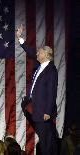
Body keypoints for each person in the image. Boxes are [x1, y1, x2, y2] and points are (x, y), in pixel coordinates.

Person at [16, 25, 58, 155]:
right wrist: (20, 38)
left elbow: (52, 92)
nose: (37, 53)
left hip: (43, 112)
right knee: (45, 140)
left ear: (46, 54)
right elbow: (30, 51)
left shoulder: (51, 70)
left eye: (39, 52)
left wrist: (47, 111)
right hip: (36, 109)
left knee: (46, 142)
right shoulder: (39, 65)